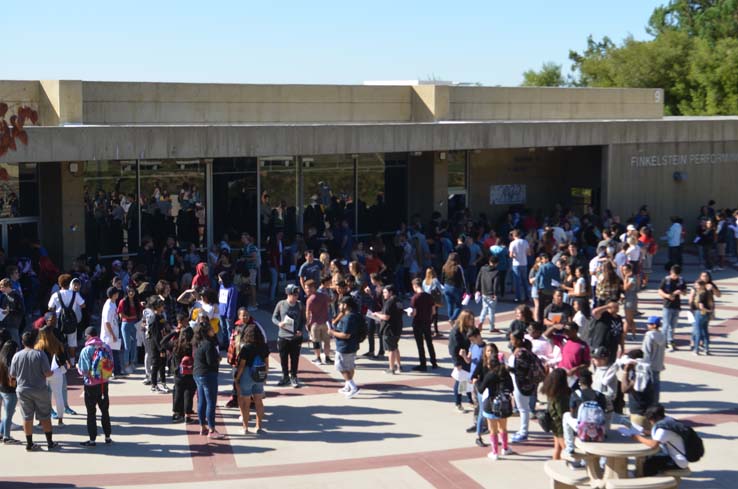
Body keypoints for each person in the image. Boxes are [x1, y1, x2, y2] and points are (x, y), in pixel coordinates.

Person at [9, 331, 58, 451]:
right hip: (39, 389)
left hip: (23, 390)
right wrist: (53, 372)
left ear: (22, 342)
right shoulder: (40, 354)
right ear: (35, 341)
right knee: (45, 416)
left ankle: (29, 443)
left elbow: (13, 375)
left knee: (27, 417)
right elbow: (47, 373)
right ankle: (50, 442)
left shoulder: (17, 356)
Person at [474, 343, 514, 460]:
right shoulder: (505, 373)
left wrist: (477, 381)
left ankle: (495, 452)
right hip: (504, 404)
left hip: (490, 403)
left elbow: (481, 389)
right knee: (503, 427)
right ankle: (505, 448)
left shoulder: (489, 375)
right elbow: (511, 388)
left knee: (493, 430)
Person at [77, 327, 113, 447]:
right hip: (104, 384)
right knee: (105, 411)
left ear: (88, 336)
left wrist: (78, 367)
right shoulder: (106, 347)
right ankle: (108, 437)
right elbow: (111, 364)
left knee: (91, 413)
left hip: (90, 385)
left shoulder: (86, 350)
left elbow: (84, 370)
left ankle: (92, 440)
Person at [633, 404, 690, 476]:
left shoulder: (663, 430)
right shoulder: (669, 420)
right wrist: (643, 431)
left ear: (655, 418)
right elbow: (661, 436)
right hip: (681, 456)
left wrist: (637, 437)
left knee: (649, 464)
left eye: (650, 420)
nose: (650, 422)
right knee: (649, 456)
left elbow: (654, 445)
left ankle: (651, 483)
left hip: (678, 461)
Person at [562, 370, 607, 460]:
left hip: (581, 426)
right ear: (591, 382)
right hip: (597, 427)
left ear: (579, 382)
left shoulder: (576, 394)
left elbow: (572, 413)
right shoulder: (600, 395)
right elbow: (604, 411)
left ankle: (570, 447)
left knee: (566, 416)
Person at [234, 324, 269, 433]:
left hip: (246, 376)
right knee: (259, 401)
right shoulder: (264, 347)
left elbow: (241, 366)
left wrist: (237, 378)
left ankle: (245, 427)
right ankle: (258, 426)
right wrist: (265, 377)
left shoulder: (246, 348)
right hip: (259, 376)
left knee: (246, 402)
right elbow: (266, 364)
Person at [193, 321, 224, 439]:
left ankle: (202, 426)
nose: (213, 330)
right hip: (208, 375)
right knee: (211, 402)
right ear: (207, 332)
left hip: (197, 373)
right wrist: (218, 359)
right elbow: (211, 362)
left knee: (202, 401)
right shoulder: (209, 344)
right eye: (211, 328)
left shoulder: (197, 342)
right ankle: (212, 429)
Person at [34, 326, 69, 426]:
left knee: (42, 398)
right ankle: (60, 421)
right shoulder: (58, 344)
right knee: (58, 395)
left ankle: (41, 422)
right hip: (56, 372)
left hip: (42, 374)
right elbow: (63, 361)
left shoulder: (38, 346)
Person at [272, 284, 305, 387]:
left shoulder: (300, 305)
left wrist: (300, 329)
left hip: (296, 337)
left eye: (296, 295)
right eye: (293, 295)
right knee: (283, 358)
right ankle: (285, 376)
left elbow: (304, 319)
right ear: (288, 294)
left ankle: (294, 376)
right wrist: (279, 323)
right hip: (283, 336)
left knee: (295, 358)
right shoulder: (281, 304)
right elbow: (274, 317)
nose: (295, 297)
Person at [329, 296, 361, 399]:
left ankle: (353, 387)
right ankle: (348, 386)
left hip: (344, 347)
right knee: (349, 366)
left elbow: (346, 335)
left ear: (345, 305)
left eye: (340, 304)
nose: (339, 306)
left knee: (341, 367)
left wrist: (332, 332)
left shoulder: (348, 318)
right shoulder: (355, 315)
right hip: (352, 346)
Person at [449, 310, 475, 411]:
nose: (472, 321)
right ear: (464, 319)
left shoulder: (470, 329)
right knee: (460, 381)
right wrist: (456, 362)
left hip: (469, 358)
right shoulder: (456, 331)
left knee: (468, 380)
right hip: (461, 360)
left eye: (473, 319)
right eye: (470, 319)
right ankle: (458, 403)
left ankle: (469, 400)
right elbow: (453, 348)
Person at [409, 278, 437, 371]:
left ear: (415, 286)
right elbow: (433, 311)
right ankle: (434, 362)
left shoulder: (415, 298)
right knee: (429, 342)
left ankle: (423, 363)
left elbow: (415, 313)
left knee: (420, 344)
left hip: (417, 323)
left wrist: (410, 313)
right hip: (427, 322)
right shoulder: (429, 296)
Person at [543, 367, 570, 460]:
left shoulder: (551, 392)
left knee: (557, 448)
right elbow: (562, 413)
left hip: (554, 424)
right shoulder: (560, 397)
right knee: (567, 449)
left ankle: (555, 464)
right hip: (561, 426)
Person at [375, 285, 403, 374]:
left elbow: (386, 316)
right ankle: (399, 366)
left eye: (385, 292)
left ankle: (391, 368)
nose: (383, 294)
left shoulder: (389, 302)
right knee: (395, 347)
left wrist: (376, 315)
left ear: (391, 292)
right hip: (397, 327)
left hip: (389, 329)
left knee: (390, 350)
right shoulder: (398, 300)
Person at [658, 265, 686, 352]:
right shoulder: (666, 280)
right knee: (666, 325)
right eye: (674, 274)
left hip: (677, 305)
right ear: (671, 272)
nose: (675, 276)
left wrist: (681, 292)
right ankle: (663, 342)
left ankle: (670, 341)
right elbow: (659, 290)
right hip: (667, 305)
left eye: (676, 275)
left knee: (673, 325)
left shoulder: (681, 280)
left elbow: (685, 292)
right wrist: (667, 296)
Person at [171, 326, 196, 423]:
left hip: (178, 372)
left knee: (178, 393)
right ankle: (187, 415)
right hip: (190, 372)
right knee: (188, 394)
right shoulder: (192, 346)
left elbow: (162, 343)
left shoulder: (176, 344)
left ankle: (177, 413)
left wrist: (174, 333)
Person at [304, 279, 332, 365]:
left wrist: (307, 323)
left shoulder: (310, 300)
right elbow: (330, 301)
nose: (305, 290)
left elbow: (307, 313)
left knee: (316, 341)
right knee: (327, 341)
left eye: (307, 288)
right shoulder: (323, 296)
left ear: (312, 288)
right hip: (325, 322)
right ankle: (327, 358)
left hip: (315, 323)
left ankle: (318, 358)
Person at [117, 285, 142, 374]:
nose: (131, 293)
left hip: (135, 324)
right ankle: (126, 365)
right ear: (127, 292)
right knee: (127, 346)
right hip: (126, 324)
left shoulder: (136, 301)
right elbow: (121, 315)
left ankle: (132, 363)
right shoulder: (122, 301)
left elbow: (140, 311)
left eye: (133, 291)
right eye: (129, 291)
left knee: (134, 344)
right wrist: (132, 317)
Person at [642, 316, 666, 404]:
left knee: (648, 385)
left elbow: (646, 352)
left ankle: (649, 403)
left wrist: (643, 364)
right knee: (656, 385)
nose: (647, 325)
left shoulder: (649, 335)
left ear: (654, 325)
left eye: (649, 324)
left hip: (649, 364)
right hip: (658, 363)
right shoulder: (662, 335)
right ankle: (655, 402)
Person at [100, 287, 123, 377]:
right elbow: (107, 322)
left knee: (114, 353)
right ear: (113, 295)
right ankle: (113, 371)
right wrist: (112, 334)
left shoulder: (113, 303)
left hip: (114, 332)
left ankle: (116, 371)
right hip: (108, 335)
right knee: (110, 354)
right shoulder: (108, 306)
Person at [0, 339, 19, 444]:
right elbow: (13, 377)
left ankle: (1, 433)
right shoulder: (11, 362)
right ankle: (6, 436)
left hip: (1, 389)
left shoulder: (1, 359)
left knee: (6, 414)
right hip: (10, 391)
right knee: (9, 414)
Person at [475, 255, 500, 333]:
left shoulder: (483, 269)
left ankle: (480, 322)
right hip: (491, 293)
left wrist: (477, 289)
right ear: (496, 263)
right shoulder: (496, 272)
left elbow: (478, 279)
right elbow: (495, 284)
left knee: (484, 308)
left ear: (489, 262)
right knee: (491, 311)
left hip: (484, 292)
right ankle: (491, 327)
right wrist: (495, 293)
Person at [441, 253, 466, 322]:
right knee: (459, 305)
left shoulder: (445, 266)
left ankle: (451, 318)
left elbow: (442, 278)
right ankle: (452, 319)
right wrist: (465, 289)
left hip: (446, 287)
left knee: (450, 304)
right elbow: (463, 279)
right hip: (456, 287)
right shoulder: (458, 267)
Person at [509, 229, 531, 303]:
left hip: (516, 264)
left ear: (514, 235)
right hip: (524, 263)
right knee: (525, 281)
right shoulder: (525, 242)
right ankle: (527, 297)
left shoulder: (512, 243)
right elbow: (528, 253)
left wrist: (514, 256)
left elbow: (511, 255)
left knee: (517, 281)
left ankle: (518, 298)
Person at [621, 264, 638, 339]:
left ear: (630, 270)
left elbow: (625, 288)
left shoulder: (632, 278)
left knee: (627, 319)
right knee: (630, 318)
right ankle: (634, 335)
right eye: (623, 270)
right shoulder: (630, 278)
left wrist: (625, 279)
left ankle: (623, 335)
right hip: (629, 298)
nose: (624, 272)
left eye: (625, 270)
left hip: (631, 299)